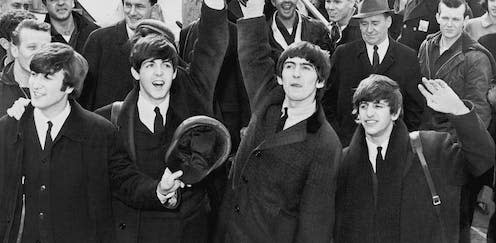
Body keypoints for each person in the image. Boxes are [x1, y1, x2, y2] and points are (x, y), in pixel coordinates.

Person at [0, 42, 186, 243]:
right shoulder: (10, 127)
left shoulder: (99, 132)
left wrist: (159, 190)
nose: (35, 84)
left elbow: (126, 181)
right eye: (34, 74)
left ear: (69, 86)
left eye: (47, 77)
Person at [94, 0, 228, 241]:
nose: (159, 73)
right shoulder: (109, 120)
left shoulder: (193, 100)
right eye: (150, 64)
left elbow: (210, 47)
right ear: (135, 71)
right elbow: (119, 178)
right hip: (136, 231)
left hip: (188, 230)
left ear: (175, 71)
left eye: (166, 65)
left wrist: (214, 3)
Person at [216, 0, 342, 242]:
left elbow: (315, 224)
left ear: (320, 81)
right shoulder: (267, 101)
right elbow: (252, 54)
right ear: (280, 77)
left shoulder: (326, 143)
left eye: (306, 68)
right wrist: (254, 6)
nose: (296, 74)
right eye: (290, 66)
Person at [334, 74, 495, 243]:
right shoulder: (343, 162)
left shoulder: (432, 148)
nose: (369, 113)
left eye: (378, 105)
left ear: (395, 112)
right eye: (364, 106)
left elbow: (483, 160)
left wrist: (459, 111)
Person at [322, 0, 424, 146]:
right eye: (364, 24)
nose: (369, 29)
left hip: (392, 148)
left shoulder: (407, 57)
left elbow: (415, 109)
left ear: (388, 21)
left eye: (375, 23)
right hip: (348, 146)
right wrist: (338, 137)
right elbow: (327, 101)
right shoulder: (343, 54)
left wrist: (400, 142)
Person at [79, 0, 157, 111]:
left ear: (154, 8)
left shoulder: (163, 42)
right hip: (107, 124)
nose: (132, 12)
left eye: (139, 6)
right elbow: (84, 95)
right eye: (128, 5)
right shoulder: (99, 40)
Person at [0, 19, 51, 117]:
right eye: (32, 47)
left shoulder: (60, 88)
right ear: (15, 50)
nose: (39, 54)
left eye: (45, 48)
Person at [267, 0, 333, 59]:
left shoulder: (318, 28)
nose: (287, 1)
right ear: (273, 2)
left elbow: (325, 66)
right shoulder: (263, 33)